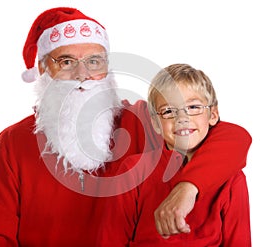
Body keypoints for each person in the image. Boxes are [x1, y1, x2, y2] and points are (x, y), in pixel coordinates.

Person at [0, 7, 251, 247]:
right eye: (66, 61)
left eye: (94, 61)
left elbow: (232, 137)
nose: (82, 75)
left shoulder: (140, 122)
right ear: (44, 69)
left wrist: (188, 187)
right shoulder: (9, 146)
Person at [98, 63, 251, 247]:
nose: (182, 118)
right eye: (169, 111)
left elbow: (239, 241)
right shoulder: (134, 170)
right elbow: (111, 239)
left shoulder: (232, 178)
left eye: (193, 107)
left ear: (214, 114)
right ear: (155, 123)